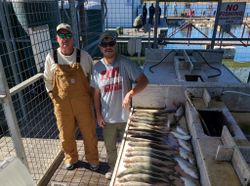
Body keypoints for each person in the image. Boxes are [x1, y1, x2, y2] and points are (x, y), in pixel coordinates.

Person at [91, 31, 149, 179]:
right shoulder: (96, 68)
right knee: (110, 148)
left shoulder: (126, 63)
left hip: (126, 117)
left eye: (111, 43)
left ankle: (128, 171)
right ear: (100, 47)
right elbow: (96, 94)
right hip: (107, 119)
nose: (108, 47)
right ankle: (113, 167)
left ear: (116, 45)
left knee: (128, 148)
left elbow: (144, 81)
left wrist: (131, 93)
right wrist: (98, 114)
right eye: (105, 44)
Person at [43, 23, 99, 171]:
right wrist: (52, 96)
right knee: (65, 134)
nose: (65, 39)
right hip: (61, 104)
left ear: (73, 38)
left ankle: (93, 159)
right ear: (57, 38)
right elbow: (47, 79)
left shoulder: (84, 56)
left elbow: (93, 78)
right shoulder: (51, 57)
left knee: (89, 133)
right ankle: (70, 158)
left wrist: (92, 99)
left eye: (68, 35)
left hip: (83, 103)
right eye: (61, 35)